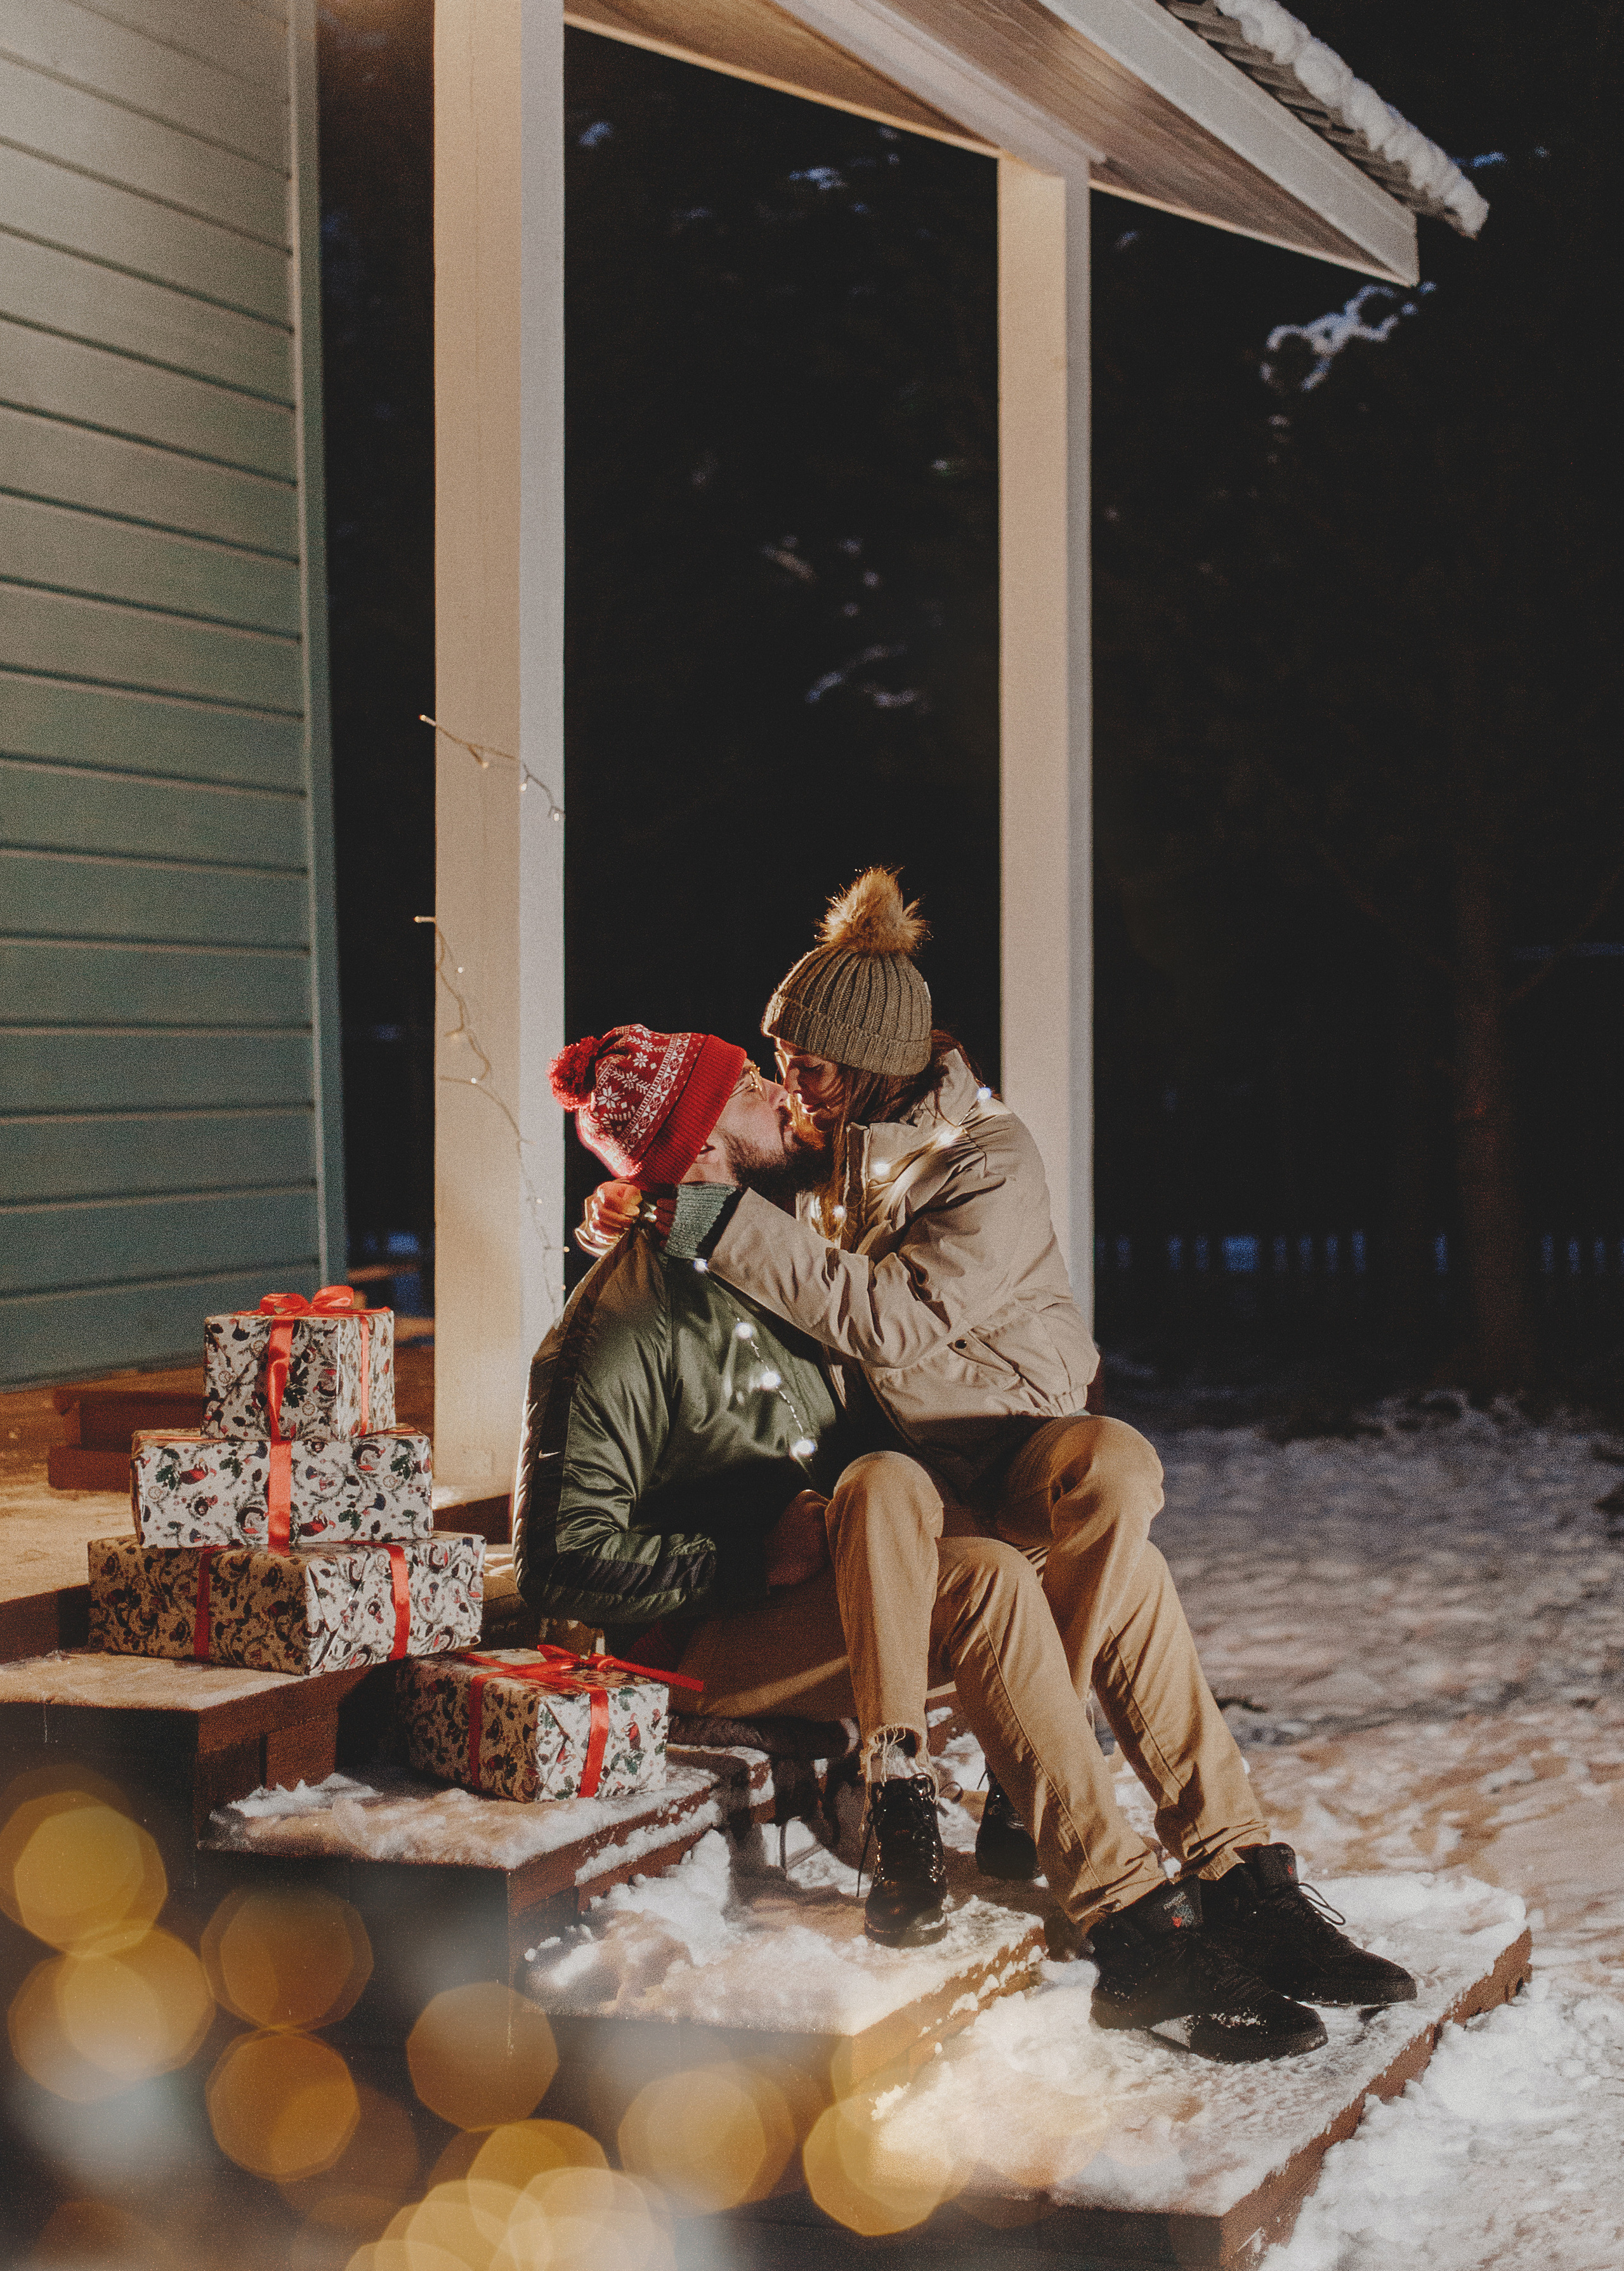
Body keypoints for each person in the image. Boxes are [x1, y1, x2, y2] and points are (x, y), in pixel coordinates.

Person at [573, 876, 1418, 2026]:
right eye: (765, 1072)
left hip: (993, 1455)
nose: (785, 1089)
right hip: (843, 1546)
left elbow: (884, 1320)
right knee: (1000, 1576)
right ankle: (1132, 1913)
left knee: (1116, 1491)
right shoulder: (737, 1225)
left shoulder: (963, 1160)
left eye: (799, 1066)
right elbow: (576, 1544)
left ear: (869, 1066)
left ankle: (1234, 1878)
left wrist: (684, 1202)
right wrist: (644, 1201)